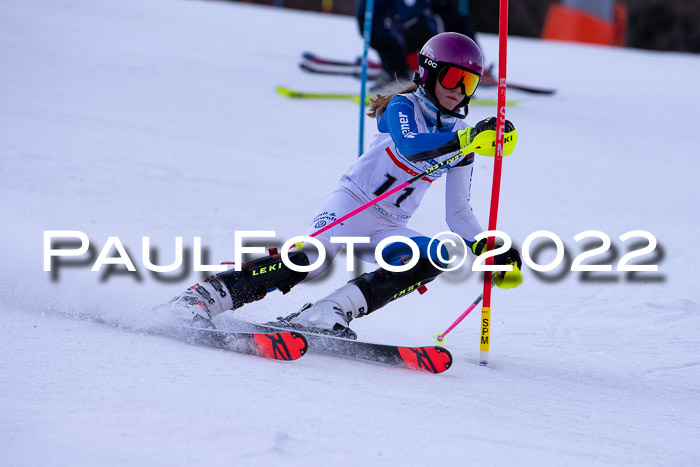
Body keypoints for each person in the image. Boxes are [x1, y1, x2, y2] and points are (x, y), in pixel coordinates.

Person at [163, 33, 522, 338]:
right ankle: (206, 297)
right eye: (452, 78)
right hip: (352, 206)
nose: (459, 91)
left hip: (389, 226)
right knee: (309, 261)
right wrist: (465, 140)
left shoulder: (463, 142)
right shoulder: (402, 107)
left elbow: (458, 214)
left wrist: (490, 248)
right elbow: (411, 146)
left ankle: (327, 312)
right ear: (429, 74)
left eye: (470, 83)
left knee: (436, 255)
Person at [356, 0, 483, 85]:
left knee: (453, 20)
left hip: (415, 13)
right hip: (388, 15)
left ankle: (465, 64)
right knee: (412, 27)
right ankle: (398, 73)